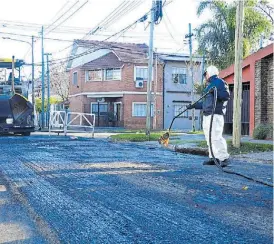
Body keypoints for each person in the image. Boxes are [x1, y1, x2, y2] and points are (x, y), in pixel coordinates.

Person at [187, 65, 230, 167]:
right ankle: (213, 157)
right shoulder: (208, 86)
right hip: (207, 115)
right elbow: (205, 104)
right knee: (208, 137)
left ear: (210, 72)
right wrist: (194, 106)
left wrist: (216, 92)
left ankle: (223, 158)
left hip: (215, 115)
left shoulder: (220, 82)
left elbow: (226, 96)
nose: (205, 76)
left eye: (206, 74)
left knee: (216, 137)